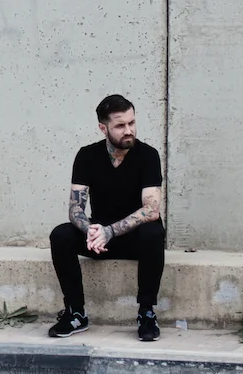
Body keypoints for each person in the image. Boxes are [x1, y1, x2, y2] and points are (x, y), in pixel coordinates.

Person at [48, 94, 166, 342]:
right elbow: (75, 208)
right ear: (103, 128)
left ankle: (146, 312)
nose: (129, 131)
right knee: (61, 235)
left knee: (153, 232)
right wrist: (91, 230)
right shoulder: (87, 156)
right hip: (99, 238)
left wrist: (109, 231)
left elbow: (151, 209)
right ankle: (75, 312)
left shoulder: (148, 156)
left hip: (135, 240)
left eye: (132, 123)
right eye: (120, 126)